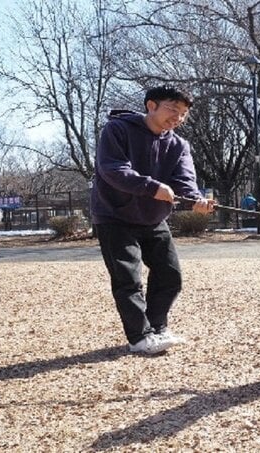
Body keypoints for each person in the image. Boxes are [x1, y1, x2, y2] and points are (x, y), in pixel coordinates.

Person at [90, 85, 214, 355]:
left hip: (154, 218)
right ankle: (139, 337)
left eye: (183, 114)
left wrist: (196, 200)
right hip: (114, 216)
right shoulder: (117, 130)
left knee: (171, 275)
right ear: (151, 106)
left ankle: (158, 328)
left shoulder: (179, 145)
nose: (178, 118)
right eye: (173, 109)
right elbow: (112, 169)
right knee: (128, 279)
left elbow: (184, 182)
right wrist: (151, 187)